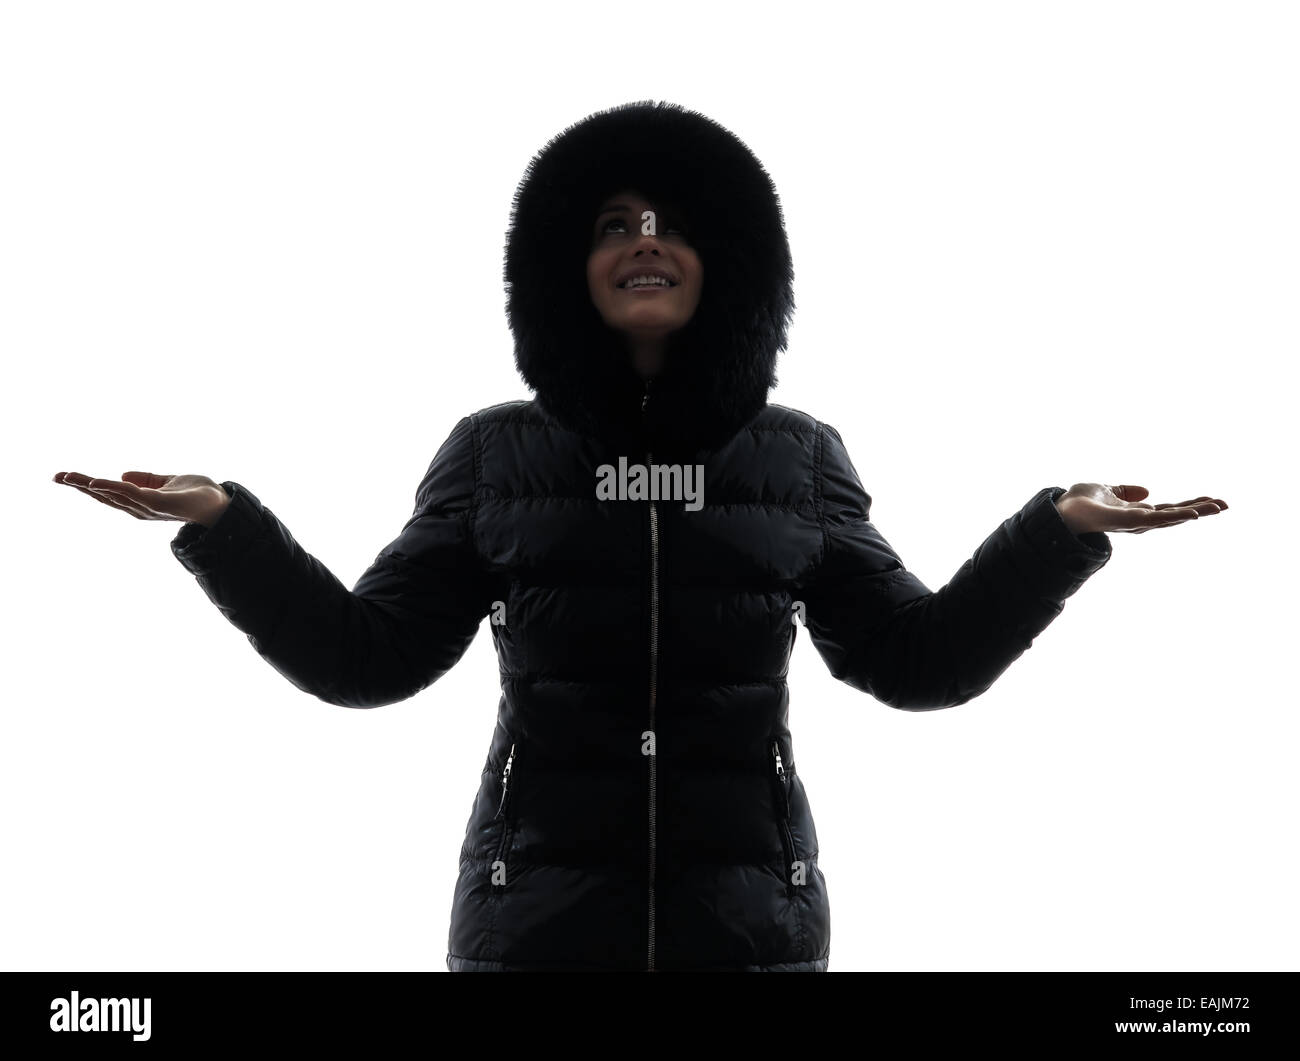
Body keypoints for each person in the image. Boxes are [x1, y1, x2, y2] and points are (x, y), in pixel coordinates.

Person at [52, 100, 1227, 972]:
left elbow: (915, 662)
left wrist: (1061, 530)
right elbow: (369, 658)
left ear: (732, 262)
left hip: (754, 930)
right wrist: (221, 527)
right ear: (566, 267)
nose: (644, 239)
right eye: (613, 223)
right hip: (533, 929)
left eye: (671, 221)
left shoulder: (796, 455)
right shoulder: (495, 452)